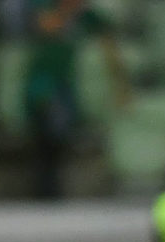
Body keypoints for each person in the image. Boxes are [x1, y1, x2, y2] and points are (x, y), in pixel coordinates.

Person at [24, 0, 127, 200]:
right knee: (44, 135)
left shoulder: (86, 15)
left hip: (65, 82)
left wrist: (120, 83)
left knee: (60, 135)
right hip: (42, 80)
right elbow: (46, 27)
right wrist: (68, 10)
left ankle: (53, 189)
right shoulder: (45, 5)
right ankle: (44, 189)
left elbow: (108, 37)